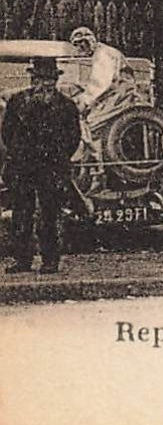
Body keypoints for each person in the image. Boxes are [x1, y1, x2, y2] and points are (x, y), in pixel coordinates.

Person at [4, 58, 82, 274]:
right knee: (21, 213)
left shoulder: (67, 106)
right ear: (32, 79)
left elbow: (73, 138)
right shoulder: (17, 102)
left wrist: (57, 157)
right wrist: (19, 154)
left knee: (50, 214)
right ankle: (22, 260)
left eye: (49, 80)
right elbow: (7, 133)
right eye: (40, 79)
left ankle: (50, 260)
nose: (45, 85)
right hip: (23, 166)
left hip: (52, 167)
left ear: (55, 81)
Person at [69, 27, 132, 136]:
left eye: (83, 43)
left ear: (91, 41)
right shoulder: (98, 53)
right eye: (77, 44)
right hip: (111, 96)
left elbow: (100, 85)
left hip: (120, 97)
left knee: (90, 123)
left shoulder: (104, 54)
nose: (81, 47)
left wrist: (83, 102)